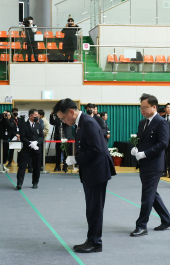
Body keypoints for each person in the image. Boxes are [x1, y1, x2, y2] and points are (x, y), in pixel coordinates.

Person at [54, 98, 115, 254]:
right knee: (91, 208)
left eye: (63, 117)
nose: (63, 121)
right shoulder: (81, 122)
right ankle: (91, 239)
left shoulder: (87, 122)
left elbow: (98, 149)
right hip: (91, 171)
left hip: (97, 171)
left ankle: (96, 242)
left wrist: (76, 159)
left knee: (95, 209)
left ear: (71, 112)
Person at [130, 93, 170, 236]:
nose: (142, 110)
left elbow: (163, 143)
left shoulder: (161, 122)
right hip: (144, 164)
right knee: (152, 193)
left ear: (154, 107)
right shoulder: (143, 122)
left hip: (154, 165)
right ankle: (166, 219)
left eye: (145, 107)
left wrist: (145, 153)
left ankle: (141, 225)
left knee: (147, 195)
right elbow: (140, 139)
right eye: (141, 107)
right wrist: (135, 148)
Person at [15, 109, 44, 190]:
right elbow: (22, 137)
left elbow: (42, 136)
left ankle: (35, 182)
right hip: (26, 149)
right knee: (22, 166)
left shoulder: (38, 125)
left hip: (36, 148)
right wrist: (30, 143)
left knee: (36, 166)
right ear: (31, 116)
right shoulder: (23, 125)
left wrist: (36, 142)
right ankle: (19, 183)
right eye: (36, 115)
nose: (37, 116)